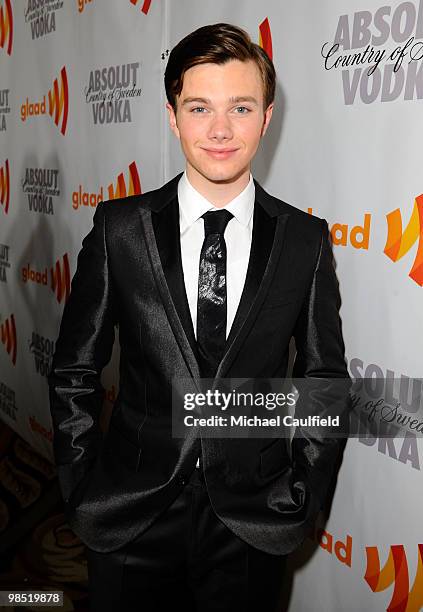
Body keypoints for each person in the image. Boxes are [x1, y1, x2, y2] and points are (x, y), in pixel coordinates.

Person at [48, 22, 350, 612]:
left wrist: (302, 493)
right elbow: (73, 372)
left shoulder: (304, 242)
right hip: (129, 515)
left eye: (240, 107)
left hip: (251, 523)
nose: (219, 129)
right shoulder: (119, 231)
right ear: (171, 115)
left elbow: (324, 381)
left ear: (266, 118)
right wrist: (83, 489)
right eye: (198, 107)